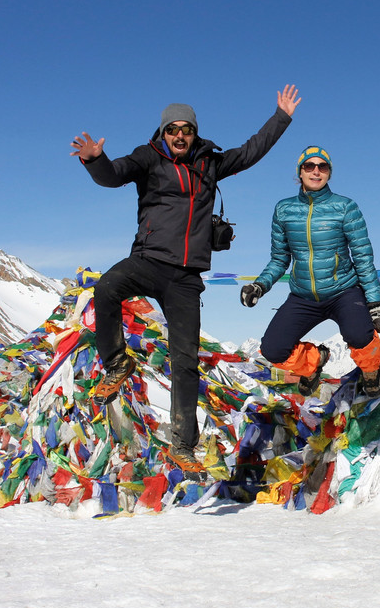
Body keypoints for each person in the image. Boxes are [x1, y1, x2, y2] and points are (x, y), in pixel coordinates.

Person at [71, 86, 301, 469]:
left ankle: (182, 444)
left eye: (187, 129)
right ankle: (116, 363)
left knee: (185, 361)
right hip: (147, 260)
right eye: (173, 129)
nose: (179, 135)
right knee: (107, 287)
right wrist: (96, 161)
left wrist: (281, 117)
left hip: (185, 277)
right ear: (163, 133)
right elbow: (113, 175)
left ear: (194, 133)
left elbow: (250, 152)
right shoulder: (148, 158)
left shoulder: (210, 162)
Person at [240, 146, 380, 398]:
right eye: (309, 166)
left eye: (323, 166)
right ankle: (314, 361)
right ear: (300, 172)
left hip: (343, 291)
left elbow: (363, 257)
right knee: (273, 350)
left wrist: (375, 303)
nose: (316, 171)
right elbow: (279, 259)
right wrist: (259, 286)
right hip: (303, 296)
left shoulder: (345, 207)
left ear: (329, 173)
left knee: (360, 334)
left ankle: (371, 372)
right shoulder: (284, 210)